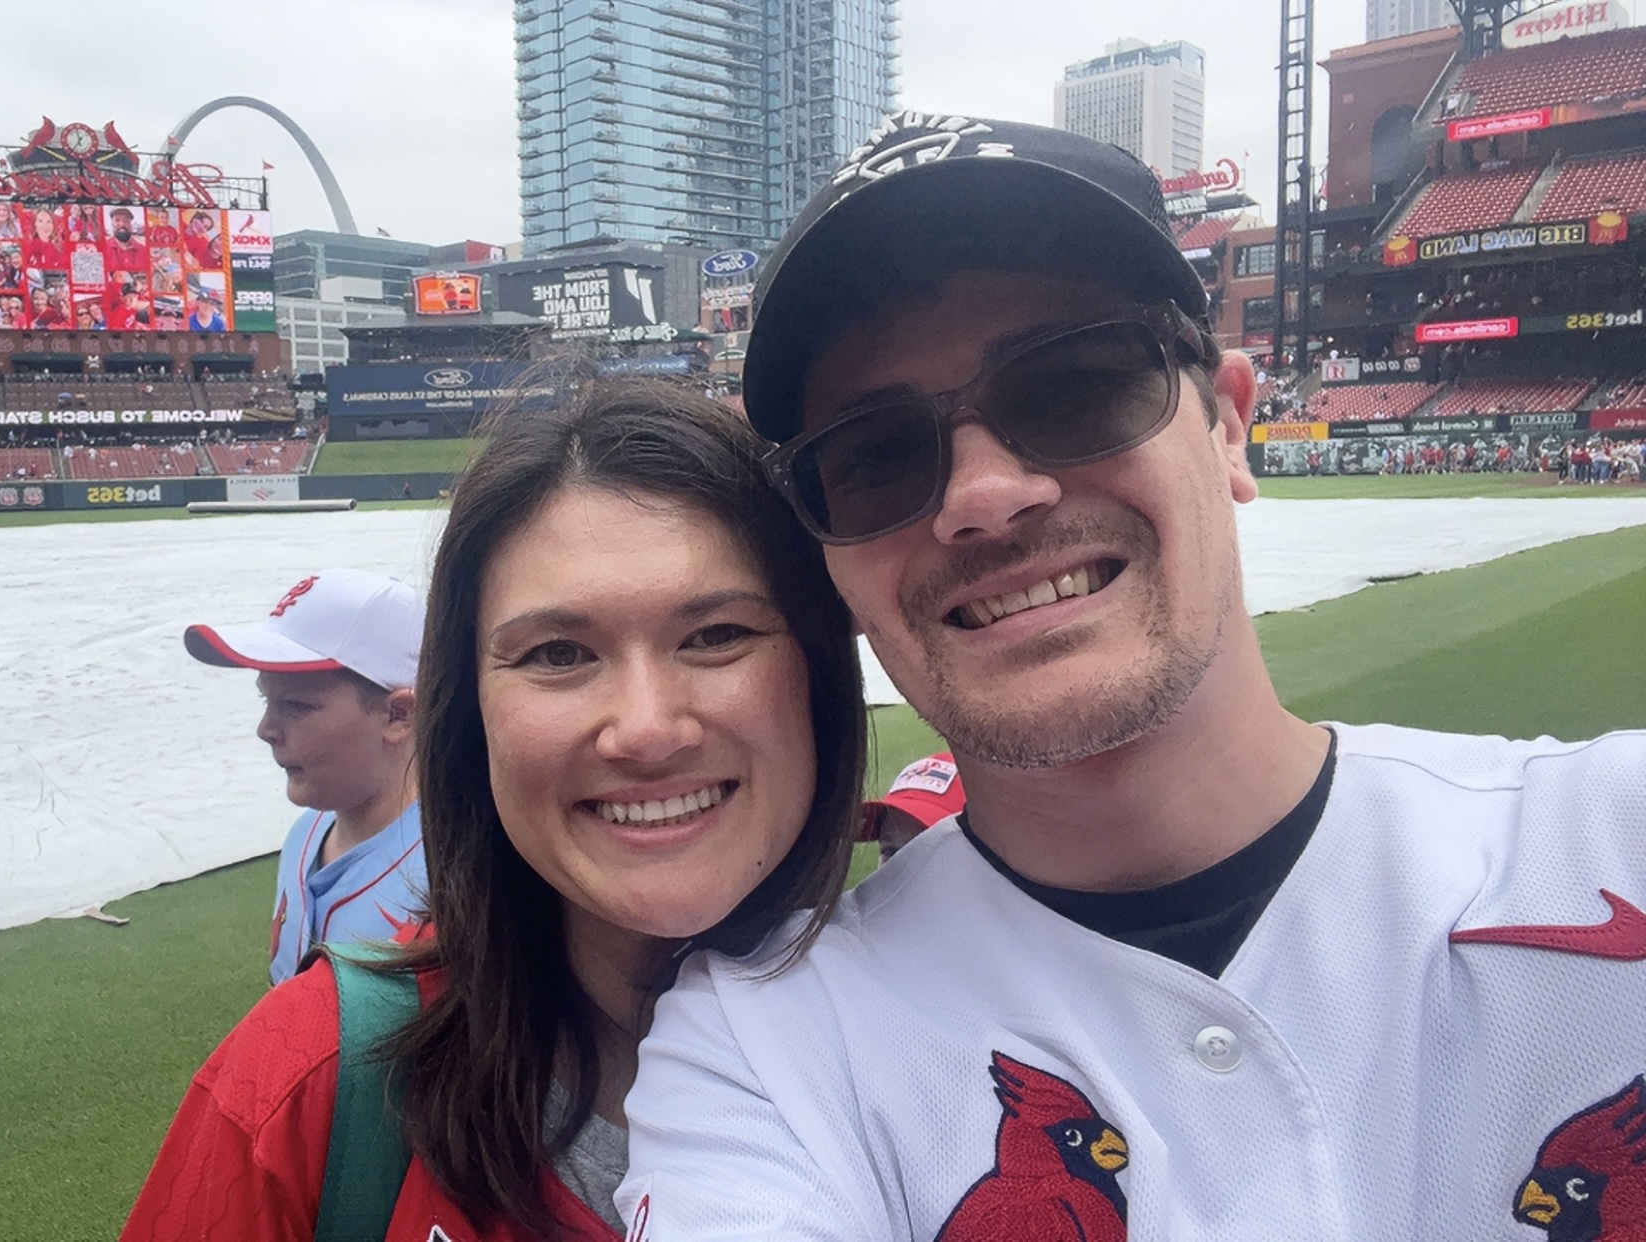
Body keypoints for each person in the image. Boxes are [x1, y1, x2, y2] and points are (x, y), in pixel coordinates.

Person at [617, 114, 1646, 1238]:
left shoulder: (1613, 835)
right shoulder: (763, 1050)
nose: (984, 494)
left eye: (1074, 387)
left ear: (1231, 427)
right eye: (874, 457)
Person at [122, 382, 866, 1240]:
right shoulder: (301, 1083)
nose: (648, 730)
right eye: (558, 653)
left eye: (717, 635)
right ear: (466, 712)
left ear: (819, 676)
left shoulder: (981, 1046)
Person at [183, 568, 429, 986]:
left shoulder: (457, 879)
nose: (266, 729)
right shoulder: (307, 833)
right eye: (267, 698)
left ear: (397, 715)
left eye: (295, 705)